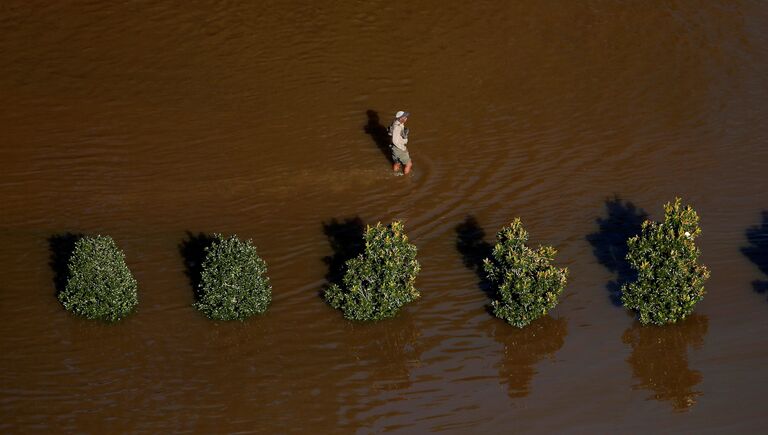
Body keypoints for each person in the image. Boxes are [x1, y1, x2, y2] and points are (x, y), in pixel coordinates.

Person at [388, 110, 412, 175]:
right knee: (409, 164)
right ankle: (406, 178)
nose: (406, 118)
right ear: (401, 118)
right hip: (399, 148)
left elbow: (390, 133)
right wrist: (403, 148)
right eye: (405, 117)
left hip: (393, 148)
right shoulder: (397, 127)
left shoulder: (395, 122)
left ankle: (394, 174)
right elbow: (395, 141)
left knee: (397, 163)